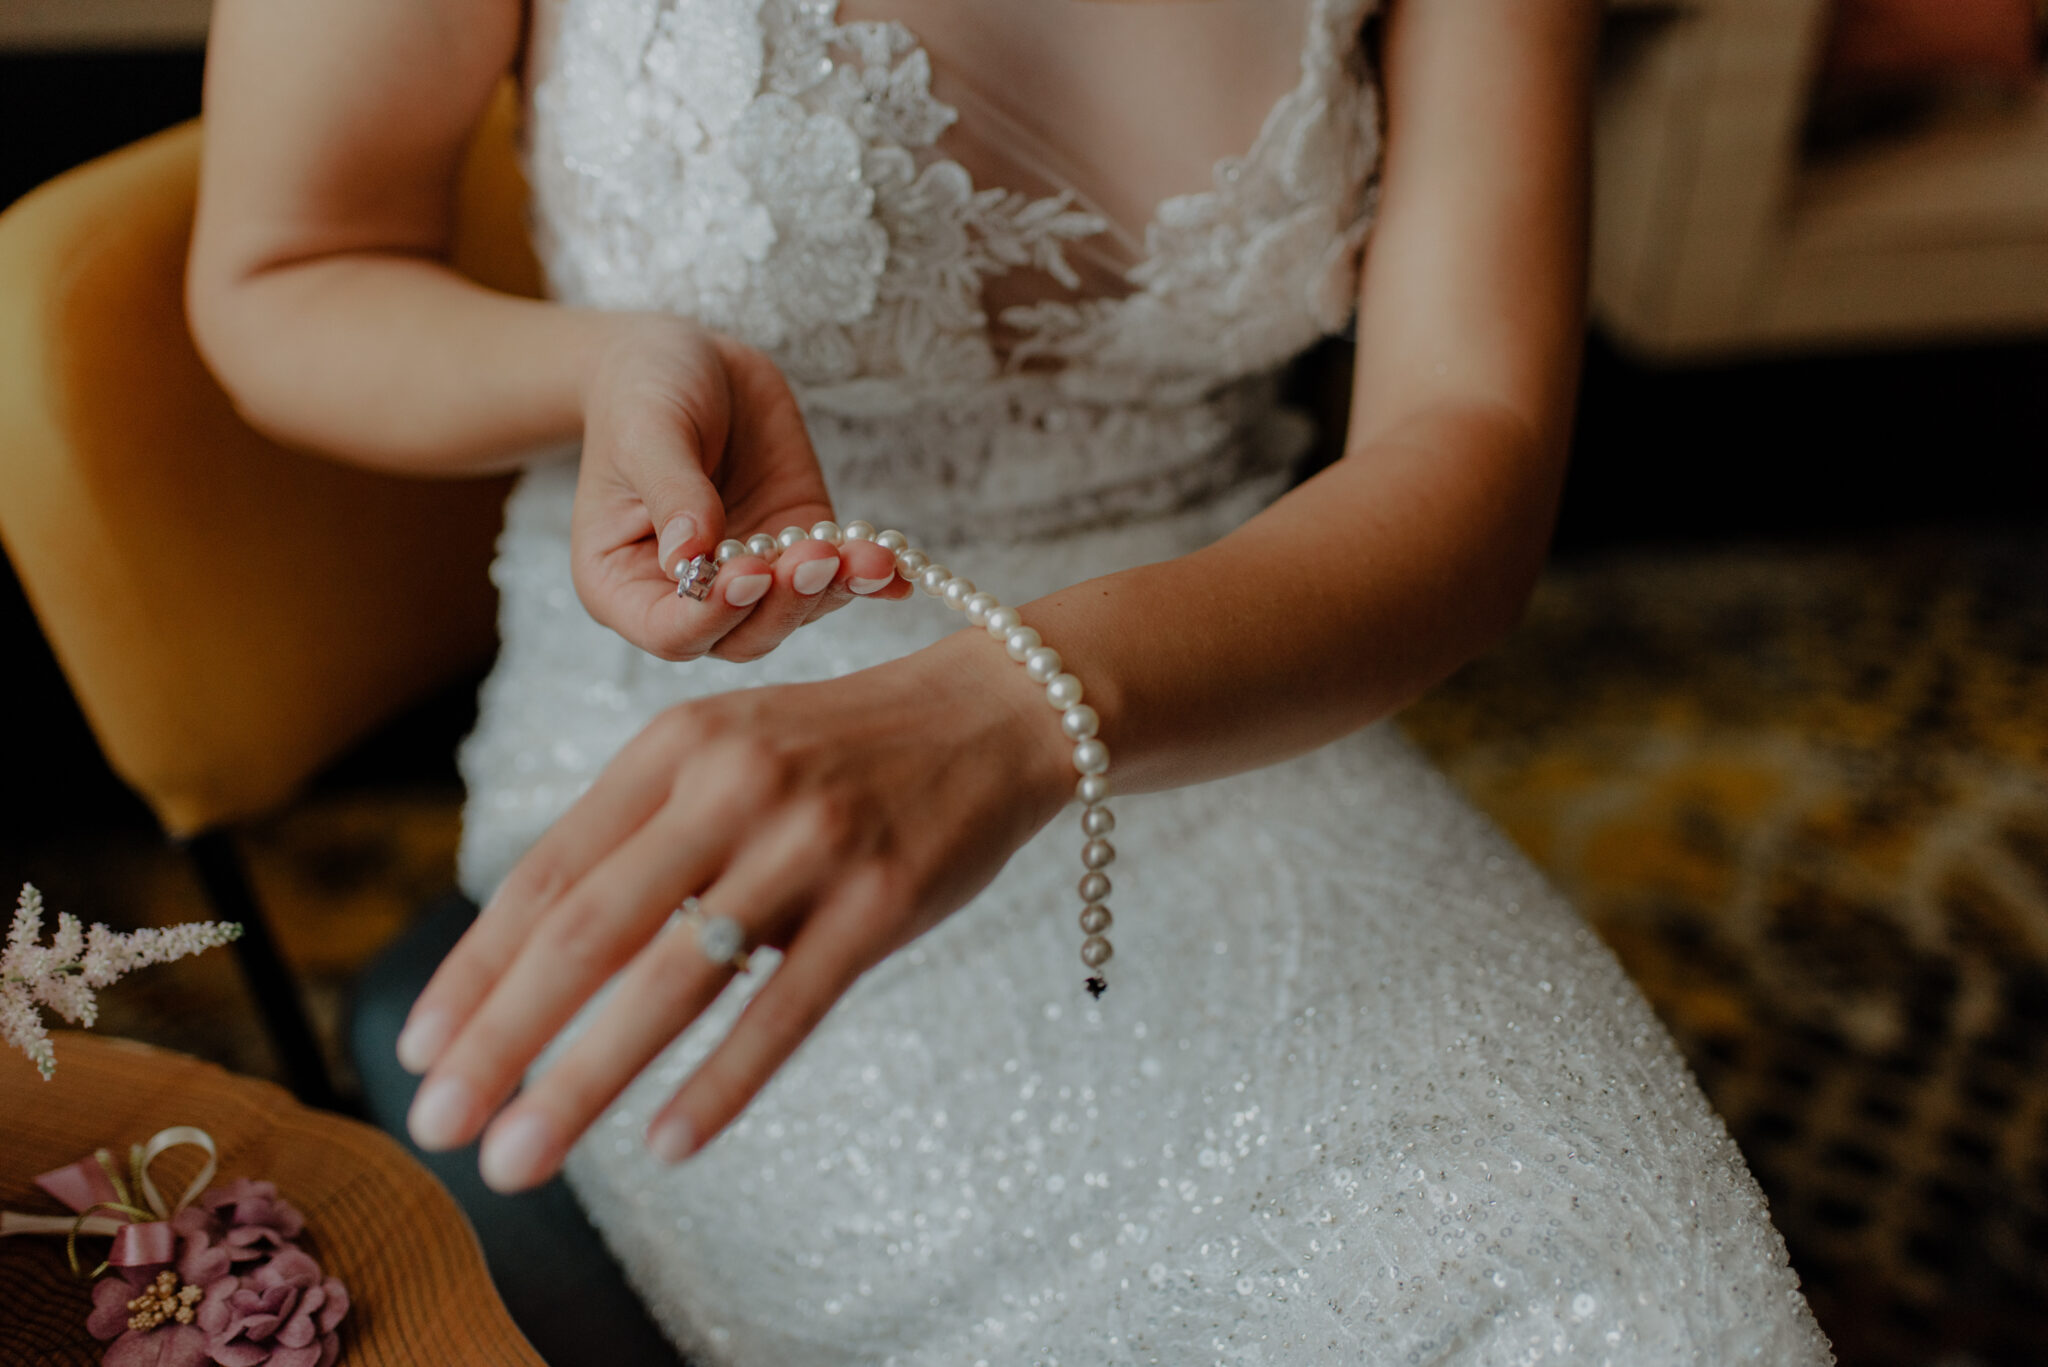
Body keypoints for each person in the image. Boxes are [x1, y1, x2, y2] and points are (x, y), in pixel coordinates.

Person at [188, 0, 1835, 1360]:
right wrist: (614, 360)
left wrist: (1015, 705)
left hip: (1231, 691)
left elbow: (1469, 448)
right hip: (698, 734)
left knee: (1641, 1316)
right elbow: (283, 272)